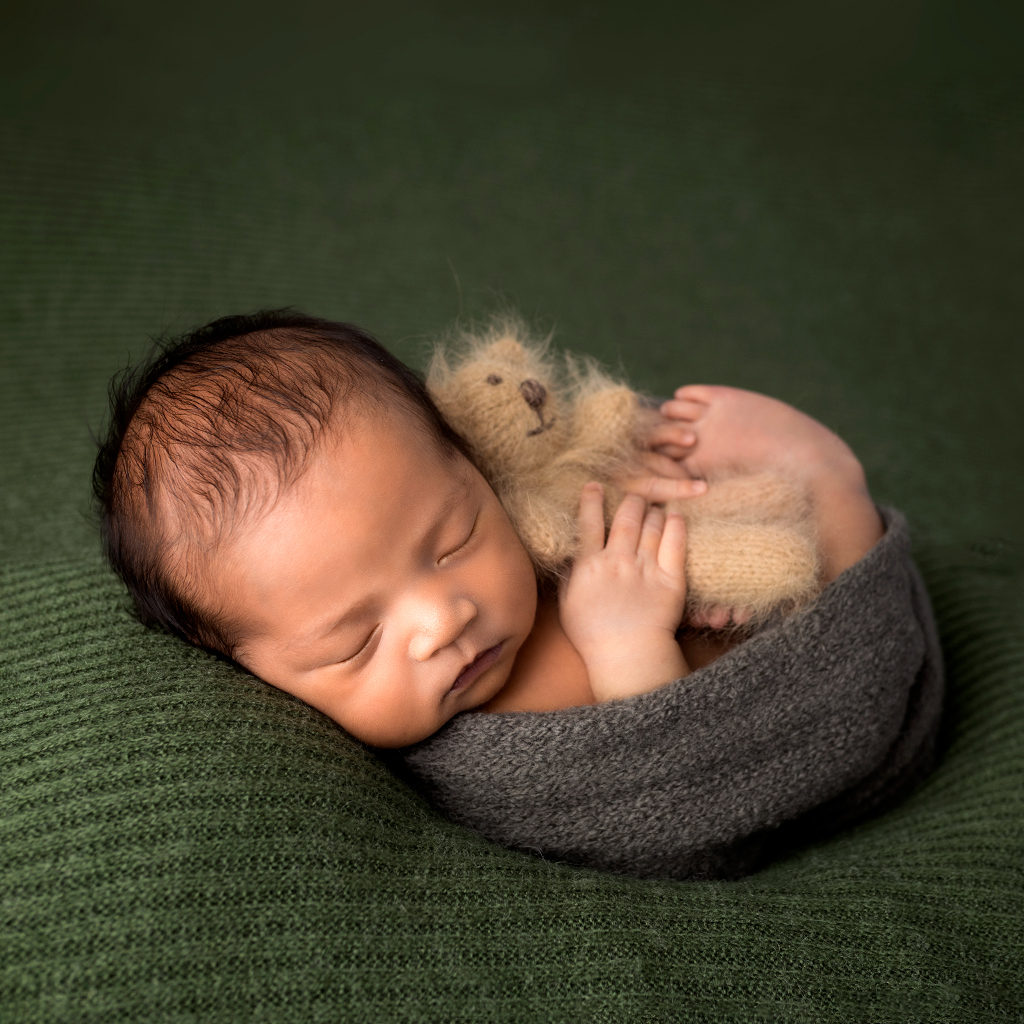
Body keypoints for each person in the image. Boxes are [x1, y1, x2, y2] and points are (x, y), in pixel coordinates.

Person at [94, 310, 883, 748]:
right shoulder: (467, 749)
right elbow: (685, 805)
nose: (445, 619)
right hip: (818, 724)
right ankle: (834, 480)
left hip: (760, 607)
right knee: (869, 663)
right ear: (242, 666)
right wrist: (626, 643)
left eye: (454, 540)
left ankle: (813, 487)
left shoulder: (483, 495)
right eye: (355, 641)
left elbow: (552, 470)